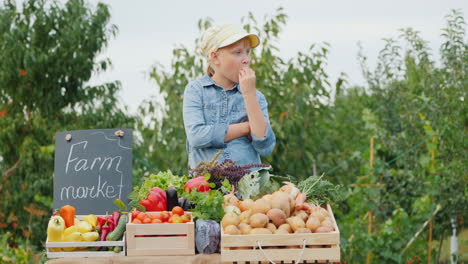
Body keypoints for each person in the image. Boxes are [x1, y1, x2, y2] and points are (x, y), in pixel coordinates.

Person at [183, 23, 276, 169]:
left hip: (249, 187)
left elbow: (265, 147)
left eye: (247, 52)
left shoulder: (256, 97)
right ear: (215, 57)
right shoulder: (196, 90)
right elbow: (197, 136)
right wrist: (246, 127)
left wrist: (249, 95)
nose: (246, 59)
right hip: (206, 187)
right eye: (238, 52)